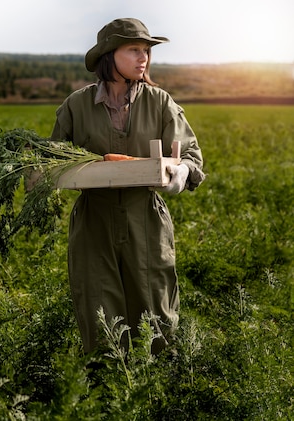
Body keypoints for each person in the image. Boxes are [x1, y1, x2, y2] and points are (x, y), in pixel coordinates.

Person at [50, 18, 205, 355]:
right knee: (98, 307)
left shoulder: (160, 102)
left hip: (144, 217)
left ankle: (157, 389)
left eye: (147, 50)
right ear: (109, 55)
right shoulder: (76, 106)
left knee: (154, 305)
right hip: (94, 219)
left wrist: (182, 171)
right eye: (134, 49)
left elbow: (191, 154)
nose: (143, 57)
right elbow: (53, 160)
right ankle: (108, 388)